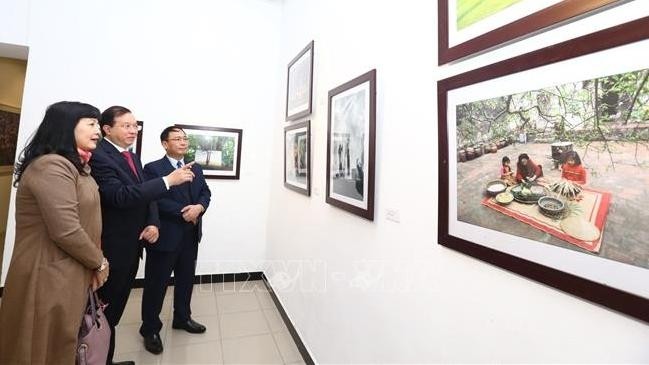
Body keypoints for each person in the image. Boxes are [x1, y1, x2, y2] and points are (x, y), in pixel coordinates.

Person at [0, 101, 109, 364]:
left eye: (98, 124)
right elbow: (66, 230)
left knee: (61, 341)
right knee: (39, 345)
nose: (98, 131)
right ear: (66, 126)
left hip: (70, 268)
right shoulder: (51, 166)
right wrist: (99, 261)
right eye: (91, 124)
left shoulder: (76, 166)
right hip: (47, 272)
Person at [89, 106, 195, 365]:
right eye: (126, 125)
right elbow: (121, 196)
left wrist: (153, 222)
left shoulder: (131, 157)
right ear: (107, 129)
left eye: (135, 125)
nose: (133, 130)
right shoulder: (101, 157)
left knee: (114, 310)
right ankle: (99, 356)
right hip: (114, 245)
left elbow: (148, 199)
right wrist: (170, 185)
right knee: (105, 311)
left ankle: (106, 358)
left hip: (140, 241)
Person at [139, 126, 211, 354]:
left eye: (185, 138)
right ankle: (149, 328)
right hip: (165, 235)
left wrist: (199, 207)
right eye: (177, 139)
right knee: (156, 285)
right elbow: (153, 199)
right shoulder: (153, 169)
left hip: (190, 236)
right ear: (164, 143)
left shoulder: (195, 167)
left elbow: (205, 193)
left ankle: (182, 318)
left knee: (185, 280)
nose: (183, 142)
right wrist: (184, 211)